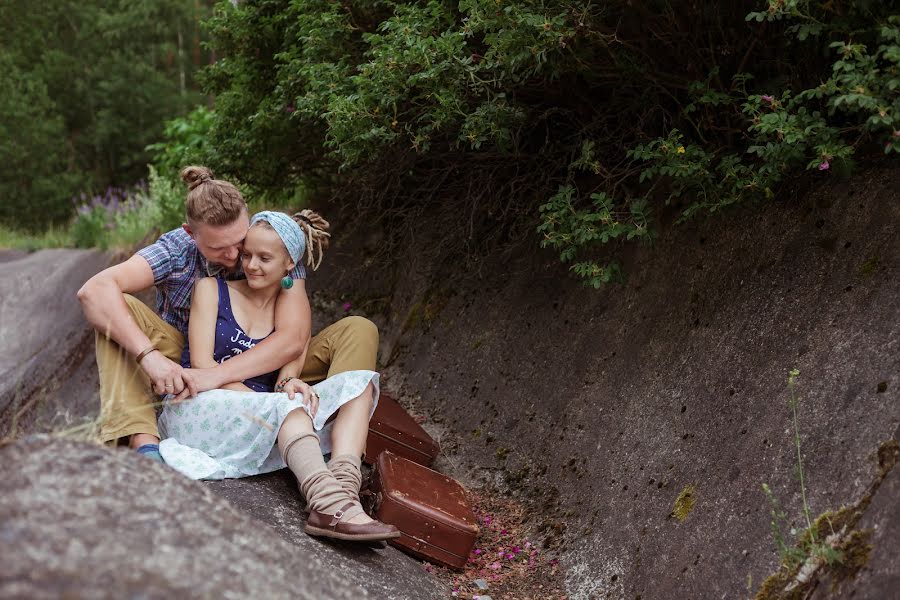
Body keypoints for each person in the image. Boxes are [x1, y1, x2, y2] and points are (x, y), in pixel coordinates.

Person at [77, 165, 375, 471]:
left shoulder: (269, 246)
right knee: (115, 310)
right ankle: (145, 445)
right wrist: (150, 357)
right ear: (190, 234)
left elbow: (293, 339)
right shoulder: (175, 250)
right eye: (219, 248)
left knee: (359, 329)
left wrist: (279, 380)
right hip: (188, 362)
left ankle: (343, 460)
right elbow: (95, 290)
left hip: (268, 365)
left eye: (239, 243)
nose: (236, 257)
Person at [157, 210, 398, 541]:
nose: (252, 265)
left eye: (264, 258)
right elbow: (202, 367)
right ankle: (327, 505)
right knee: (287, 408)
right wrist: (274, 401)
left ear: (290, 265)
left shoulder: (290, 303)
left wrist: (289, 384)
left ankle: (343, 485)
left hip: (260, 414)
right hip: (205, 403)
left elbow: (289, 361)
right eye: (247, 255)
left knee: (358, 384)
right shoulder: (211, 289)